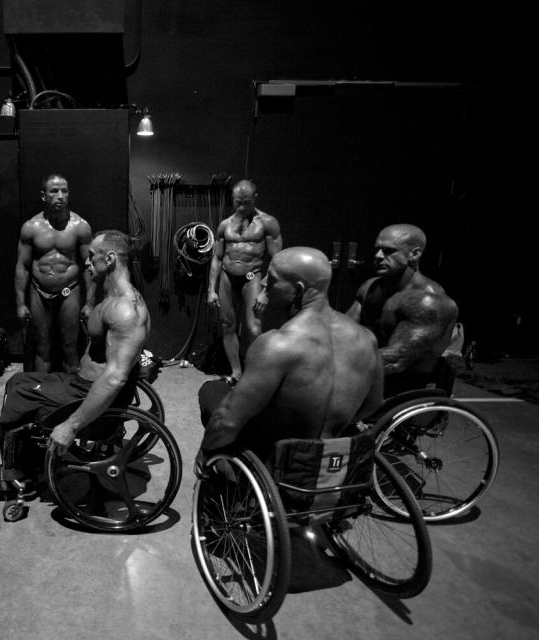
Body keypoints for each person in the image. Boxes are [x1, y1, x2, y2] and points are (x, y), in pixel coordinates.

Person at [0, 229, 149, 498]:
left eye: (93, 257)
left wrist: (71, 426)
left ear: (112, 259)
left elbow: (115, 378)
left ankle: (17, 475)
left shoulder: (124, 311)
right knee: (18, 380)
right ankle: (27, 464)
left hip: (87, 394)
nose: (87, 263)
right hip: (80, 383)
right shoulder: (113, 299)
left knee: (20, 394)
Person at [197, 247, 383, 470]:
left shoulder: (277, 345)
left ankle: (228, 482)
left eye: (273, 279)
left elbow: (227, 420)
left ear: (298, 290)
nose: (264, 283)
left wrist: (204, 452)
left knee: (211, 392)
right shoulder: (366, 338)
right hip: (329, 452)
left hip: (278, 452)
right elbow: (372, 405)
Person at [346, 223, 459, 397]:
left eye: (388, 251)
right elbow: (343, 330)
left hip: (402, 388)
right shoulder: (371, 287)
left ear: (414, 254)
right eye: (377, 249)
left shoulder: (428, 303)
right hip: (367, 378)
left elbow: (394, 360)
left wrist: (335, 366)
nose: (377, 256)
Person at [15, 174, 96, 373]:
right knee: (42, 347)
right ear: (43, 196)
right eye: (54, 191)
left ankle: (73, 397)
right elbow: (22, 266)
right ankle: (42, 394)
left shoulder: (80, 227)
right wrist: (20, 303)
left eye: (64, 191)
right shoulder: (31, 227)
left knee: (70, 345)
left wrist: (91, 302)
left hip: (69, 290)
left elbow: (89, 266)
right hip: (39, 292)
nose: (60, 195)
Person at [206, 179, 282, 383]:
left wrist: (266, 290)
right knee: (227, 324)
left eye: (245, 203)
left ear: (254, 199)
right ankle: (236, 372)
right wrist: (210, 290)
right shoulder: (225, 225)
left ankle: (255, 371)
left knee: (254, 327)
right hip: (227, 277)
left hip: (252, 277)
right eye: (237, 202)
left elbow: (277, 259)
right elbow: (217, 258)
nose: (240, 207)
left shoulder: (267, 223)